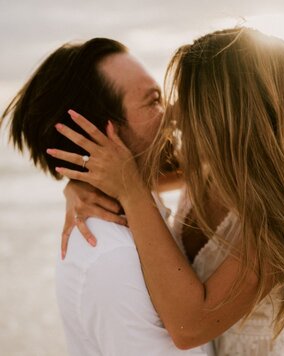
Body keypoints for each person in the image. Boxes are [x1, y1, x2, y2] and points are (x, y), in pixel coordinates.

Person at [50, 27, 284, 354]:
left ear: (222, 110)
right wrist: (79, 184)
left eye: (187, 96)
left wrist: (132, 193)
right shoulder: (209, 164)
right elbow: (130, 169)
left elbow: (189, 327)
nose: (173, 110)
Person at [2, 38, 209, 355]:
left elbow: (208, 167)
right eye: (153, 100)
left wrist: (79, 180)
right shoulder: (113, 258)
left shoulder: (138, 206)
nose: (171, 113)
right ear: (101, 137)